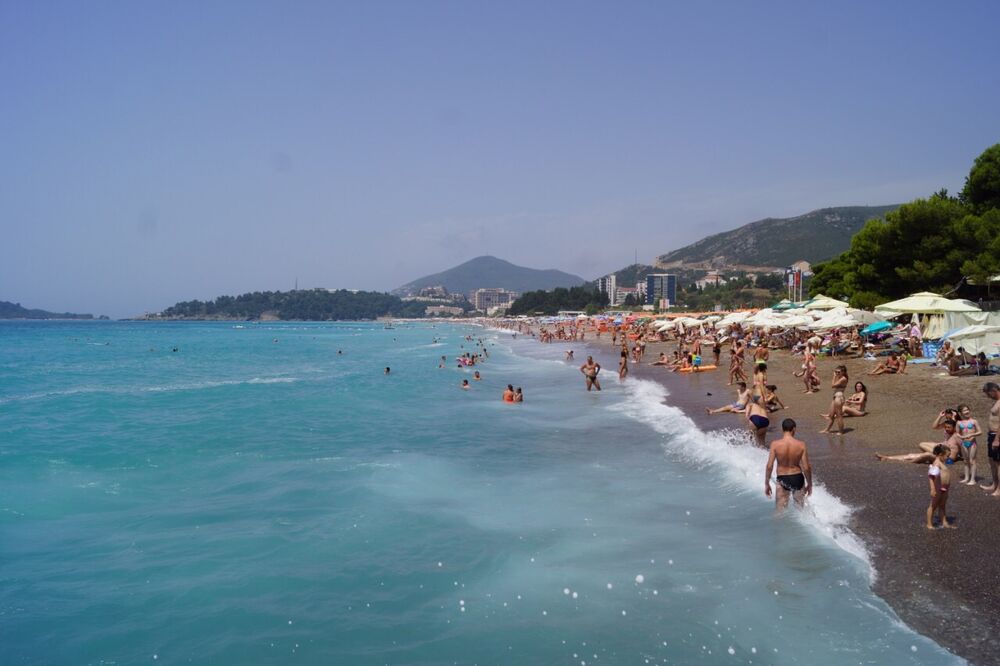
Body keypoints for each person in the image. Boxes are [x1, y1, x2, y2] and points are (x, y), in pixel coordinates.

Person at [764, 418, 813, 510]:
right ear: (794, 429)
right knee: (800, 511)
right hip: (797, 478)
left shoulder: (775, 444)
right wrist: (810, 484)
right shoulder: (801, 445)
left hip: (783, 478)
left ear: (782, 429)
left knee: (780, 511)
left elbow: (769, 466)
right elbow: (806, 467)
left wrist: (767, 483)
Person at [926, 445, 955, 530]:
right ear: (940, 454)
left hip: (945, 488)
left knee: (942, 505)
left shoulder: (942, 463)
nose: (948, 458)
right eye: (947, 456)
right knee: (933, 505)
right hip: (938, 487)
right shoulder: (937, 463)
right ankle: (929, 524)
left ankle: (944, 522)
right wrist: (932, 489)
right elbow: (931, 476)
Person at [981, 382, 1000, 497]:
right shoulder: (997, 402)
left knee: (998, 463)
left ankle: (999, 489)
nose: (988, 397)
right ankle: (994, 484)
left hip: (997, 436)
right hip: (992, 435)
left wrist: (997, 439)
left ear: (993, 390)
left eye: (988, 394)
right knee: (992, 461)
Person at [955, 404, 981, 485]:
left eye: (967, 410)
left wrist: (972, 435)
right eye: (964, 410)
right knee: (965, 461)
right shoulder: (959, 423)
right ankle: (966, 478)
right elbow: (957, 433)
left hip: (972, 443)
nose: (966, 412)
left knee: (972, 461)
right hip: (963, 443)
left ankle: (973, 479)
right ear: (960, 413)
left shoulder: (974, 421)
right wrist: (961, 436)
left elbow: (980, 432)